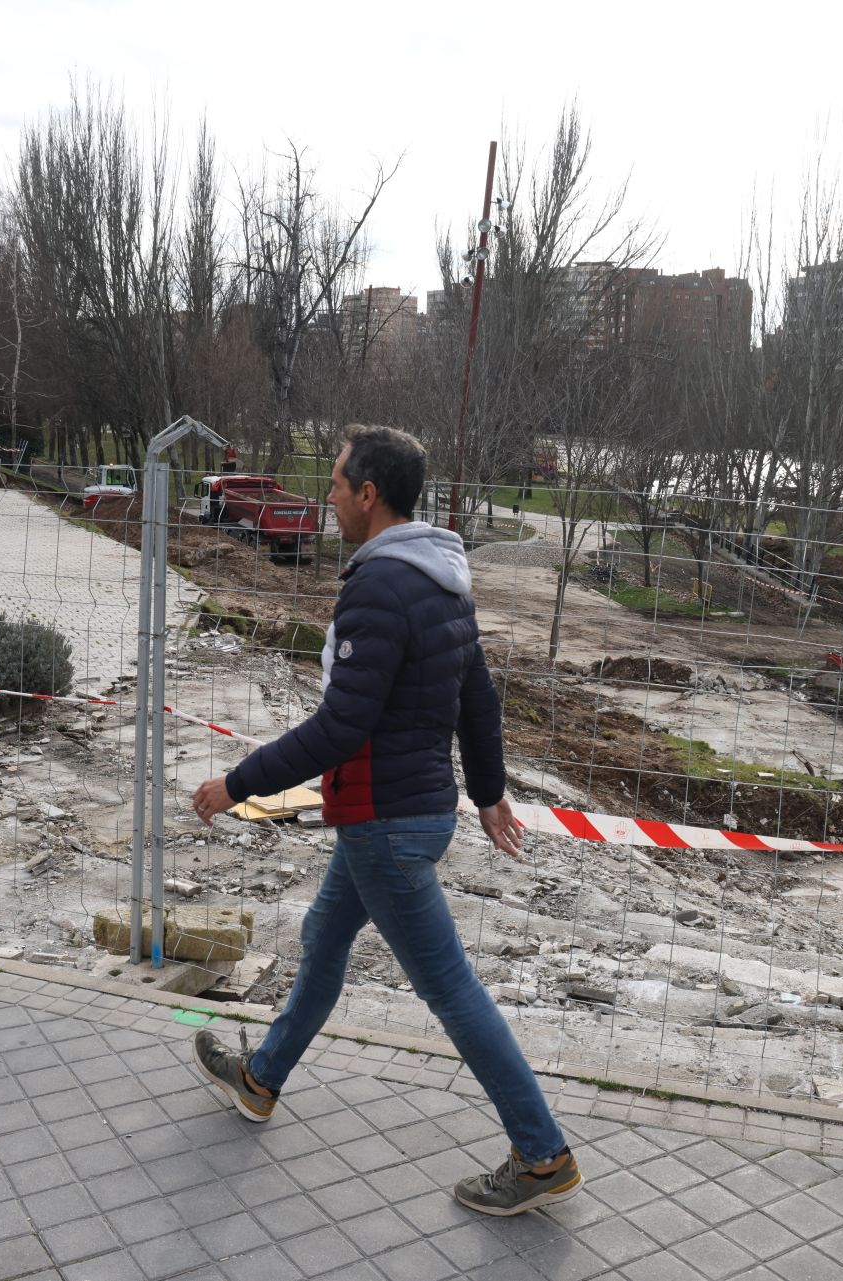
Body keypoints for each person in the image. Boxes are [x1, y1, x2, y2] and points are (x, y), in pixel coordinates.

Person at [190, 424, 581, 1218]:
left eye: (335, 484)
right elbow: (477, 696)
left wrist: (236, 783)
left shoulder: (378, 585)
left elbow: (340, 727)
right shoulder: (443, 576)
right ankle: (262, 1078)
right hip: (415, 809)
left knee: (452, 990)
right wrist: (487, 790)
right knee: (325, 940)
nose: (327, 496)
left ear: (369, 495)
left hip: (382, 822)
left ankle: (541, 1153)